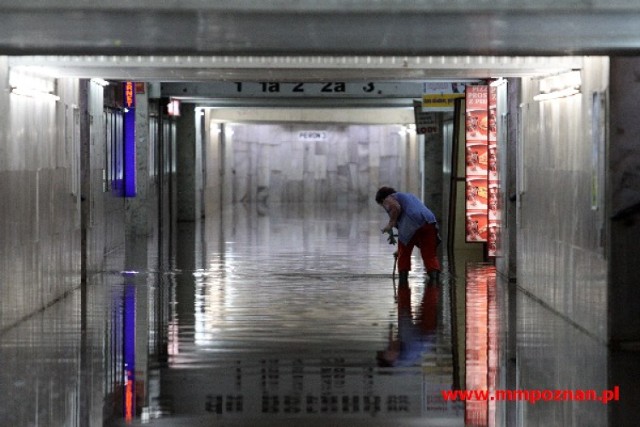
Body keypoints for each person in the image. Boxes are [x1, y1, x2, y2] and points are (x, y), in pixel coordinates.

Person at [375, 186, 441, 284]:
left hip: (411, 222)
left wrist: (390, 224)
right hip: (429, 221)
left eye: (381, 204)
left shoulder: (389, 198)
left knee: (404, 255)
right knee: (430, 254)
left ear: (382, 199)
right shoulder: (409, 196)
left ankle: (403, 283)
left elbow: (395, 207)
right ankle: (435, 281)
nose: (384, 206)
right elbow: (412, 237)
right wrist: (399, 249)